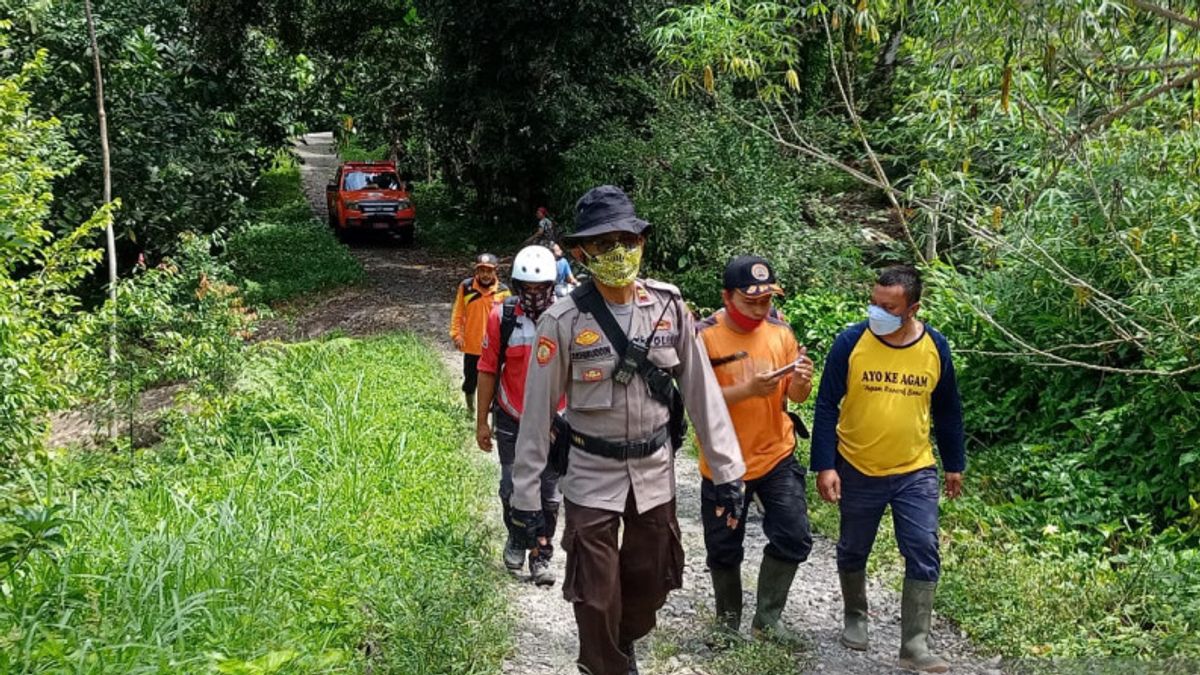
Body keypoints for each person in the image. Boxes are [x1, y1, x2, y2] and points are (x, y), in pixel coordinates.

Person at [509, 185, 747, 675]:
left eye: (626, 239)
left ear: (641, 241)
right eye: (602, 243)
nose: (617, 252)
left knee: (650, 580)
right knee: (594, 594)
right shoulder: (564, 320)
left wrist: (727, 471)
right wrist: (526, 499)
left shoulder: (667, 306)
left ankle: (622, 638)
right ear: (581, 253)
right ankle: (607, 665)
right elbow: (535, 415)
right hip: (591, 473)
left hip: (654, 472)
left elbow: (701, 392)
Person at [810, 265, 965, 674]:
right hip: (858, 465)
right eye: (874, 303)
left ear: (912, 308)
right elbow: (826, 405)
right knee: (854, 546)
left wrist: (955, 463)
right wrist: (825, 464)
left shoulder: (935, 347)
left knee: (922, 546)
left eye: (888, 307)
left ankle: (914, 643)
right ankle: (855, 615)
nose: (876, 312)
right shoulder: (851, 342)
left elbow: (948, 409)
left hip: (915, 469)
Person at [695, 255, 815, 643]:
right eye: (751, 301)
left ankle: (768, 620)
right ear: (727, 297)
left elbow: (795, 396)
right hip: (724, 462)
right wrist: (747, 389)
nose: (760, 308)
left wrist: (801, 380)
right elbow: (695, 400)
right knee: (723, 546)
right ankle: (727, 622)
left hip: (776, 452)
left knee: (794, 535)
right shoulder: (705, 335)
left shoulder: (780, 332)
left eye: (766, 300)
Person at [476, 245, 564, 586]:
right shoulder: (503, 316)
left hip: (555, 417)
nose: (534, 296)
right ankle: (517, 535)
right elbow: (486, 368)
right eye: (527, 289)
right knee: (511, 484)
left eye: (540, 289)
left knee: (549, 492)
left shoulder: (566, 316)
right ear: (515, 286)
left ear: (551, 286)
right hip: (512, 414)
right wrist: (481, 420)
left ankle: (541, 554)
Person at [449, 253, 510, 413]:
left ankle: (494, 413)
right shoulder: (466, 287)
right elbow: (458, 312)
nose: (485, 274)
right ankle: (470, 409)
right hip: (472, 346)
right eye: (481, 270)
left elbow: (509, 320)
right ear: (476, 271)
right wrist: (457, 334)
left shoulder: (504, 292)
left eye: (489, 270)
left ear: (496, 271)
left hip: (494, 348)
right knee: (470, 381)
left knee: (495, 382)